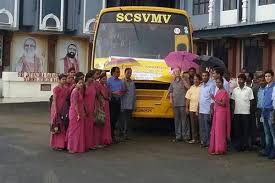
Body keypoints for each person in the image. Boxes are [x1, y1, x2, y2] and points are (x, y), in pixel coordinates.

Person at [231, 74, 254, 152]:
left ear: (244, 81)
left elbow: (251, 101)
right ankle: (238, 146)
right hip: (237, 113)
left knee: (245, 130)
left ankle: (245, 146)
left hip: (246, 113)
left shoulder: (249, 89)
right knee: (237, 130)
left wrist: (250, 111)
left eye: (241, 79)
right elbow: (233, 102)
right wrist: (233, 111)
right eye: (239, 79)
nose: (240, 81)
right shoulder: (235, 90)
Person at [208, 76, 231, 155]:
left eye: (219, 82)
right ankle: (216, 148)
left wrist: (214, 99)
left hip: (222, 113)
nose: (218, 84)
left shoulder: (224, 92)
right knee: (215, 130)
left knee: (220, 131)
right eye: (217, 82)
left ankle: (220, 149)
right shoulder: (218, 91)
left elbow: (223, 104)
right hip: (217, 112)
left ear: (222, 83)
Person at [169, 67, 190, 142]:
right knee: (177, 120)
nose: (177, 72)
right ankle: (178, 136)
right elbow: (170, 91)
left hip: (183, 103)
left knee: (184, 120)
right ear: (174, 73)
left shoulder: (184, 79)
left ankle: (185, 136)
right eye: (175, 71)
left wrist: (182, 78)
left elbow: (188, 87)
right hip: (175, 103)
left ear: (180, 72)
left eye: (178, 71)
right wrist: (171, 99)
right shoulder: (173, 82)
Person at [67, 77, 86, 153]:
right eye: (79, 83)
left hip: (79, 111)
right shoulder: (75, 91)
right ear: (75, 83)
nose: (81, 84)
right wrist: (78, 114)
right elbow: (75, 104)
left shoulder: (78, 91)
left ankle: (77, 147)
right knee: (73, 130)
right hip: (75, 112)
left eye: (82, 83)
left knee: (78, 131)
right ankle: (71, 147)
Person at [50, 74, 68, 150]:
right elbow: (54, 100)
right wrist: (55, 110)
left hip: (63, 109)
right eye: (63, 79)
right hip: (56, 108)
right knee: (57, 125)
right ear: (59, 80)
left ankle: (62, 144)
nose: (64, 81)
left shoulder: (66, 88)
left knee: (63, 126)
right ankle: (56, 144)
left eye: (65, 79)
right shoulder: (56, 89)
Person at [107, 67, 125, 143]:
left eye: (119, 72)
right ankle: (110, 135)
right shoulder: (109, 81)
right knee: (111, 118)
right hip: (112, 101)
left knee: (116, 118)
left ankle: (113, 135)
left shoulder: (121, 81)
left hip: (118, 101)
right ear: (113, 72)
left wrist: (121, 93)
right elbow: (107, 91)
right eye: (117, 72)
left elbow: (124, 90)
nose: (118, 73)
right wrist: (114, 93)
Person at [199, 71, 216, 147]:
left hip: (207, 110)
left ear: (208, 77)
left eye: (206, 75)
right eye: (203, 75)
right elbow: (200, 98)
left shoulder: (211, 85)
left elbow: (213, 98)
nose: (204, 77)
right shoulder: (201, 85)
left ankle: (209, 142)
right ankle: (204, 141)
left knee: (207, 127)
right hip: (201, 109)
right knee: (202, 127)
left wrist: (211, 109)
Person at [261, 70, 275, 159]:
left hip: (271, 111)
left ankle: (273, 151)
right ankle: (268, 149)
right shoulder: (266, 87)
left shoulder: (274, 87)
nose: (267, 78)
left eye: (269, 76)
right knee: (266, 132)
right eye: (266, 76)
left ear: (272, 76)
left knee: (273, 133)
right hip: (264, 111)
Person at [84, 70, 100, 150]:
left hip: (92, 106)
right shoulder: (83, 86)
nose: (91, 79)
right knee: (85, 127)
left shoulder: (93, 86)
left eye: (92, 78)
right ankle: (85, 144)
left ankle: (90, 144)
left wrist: (96, 107)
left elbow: (96, 97)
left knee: (91, 127)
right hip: (85, 107)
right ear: (87, 78)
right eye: (90, 78)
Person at [119, 68, 136, 140]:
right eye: (128, 72)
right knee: (122, 119)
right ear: (125, 73)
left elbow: (134, 94)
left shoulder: (132, 82)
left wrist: (134, 104)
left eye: (130, 73)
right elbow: (120, 93)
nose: (129, 74)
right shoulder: (122, 81)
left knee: (128, 120)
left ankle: (125, 134)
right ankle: (121, 133)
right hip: (123, 103)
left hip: (130, 104)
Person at [185, 74, 201, 144]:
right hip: (192, 109)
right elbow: (187, 99)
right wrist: (186, 107)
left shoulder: (202, 87)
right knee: (193, 125)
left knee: (200, 125)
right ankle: (194, 139)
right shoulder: (191, 87)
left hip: (200, 109)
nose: (195, 80)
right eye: (194, 79)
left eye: (197, 79)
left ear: (199, 80)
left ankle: (200, 139)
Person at [98, 72, 112, 145]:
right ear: (99, 79)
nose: (105, 80)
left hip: (106, 104)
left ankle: (106, 139)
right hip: (102, 104)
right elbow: (104, 96)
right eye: (103, 79)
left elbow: (108, 95)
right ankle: (102, 139)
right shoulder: (99, 86)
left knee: (106, 121)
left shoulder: (105, 86)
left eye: (105, 79)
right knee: (102, 120)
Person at [256, 74, 266, 149]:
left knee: (267, 129)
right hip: (259, 111)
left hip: (266, 111)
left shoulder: (268, 89)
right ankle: (263, 146)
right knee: (260, 129)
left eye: (262, 81)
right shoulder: (258, 89)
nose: (261, 82)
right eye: (259, 81)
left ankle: (267, 146)